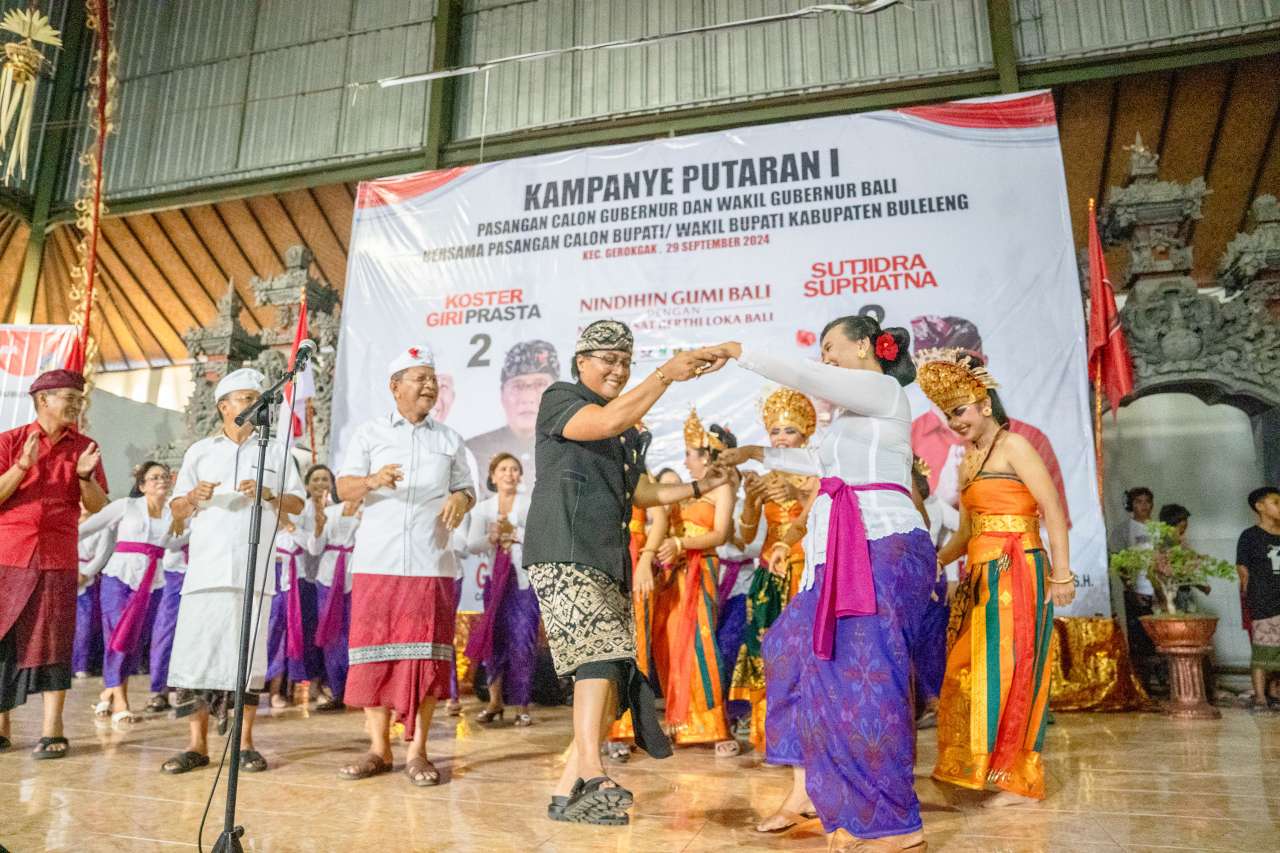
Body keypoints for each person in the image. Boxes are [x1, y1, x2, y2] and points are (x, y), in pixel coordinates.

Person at [710, 318, 936, 852]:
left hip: (883, 542)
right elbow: (814, 461)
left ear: (865, 345)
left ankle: (895, 826)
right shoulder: (850, 419)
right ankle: (810, 790)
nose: (827, 358)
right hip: (843, 550)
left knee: (867, 677)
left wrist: (738, 351)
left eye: (832, 347)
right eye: (823, 350)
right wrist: (753, 454)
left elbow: (806, 375)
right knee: (788, 647)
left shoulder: (884, 390)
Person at [523, 319, 728, 825]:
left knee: (614, 665)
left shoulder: (620, 430)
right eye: (607, 360)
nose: (617, 369)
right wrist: (666, 375)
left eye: (624, 361)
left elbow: (640, 492)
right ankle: (593, 772)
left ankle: (566, 786)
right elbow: (606, 422)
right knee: (597, 657)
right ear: (581, 362)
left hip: (604, 553)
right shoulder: (561, 397)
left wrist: (701, 488)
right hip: (564, 547)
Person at [916, 348, 1074, 809]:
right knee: (970, 670)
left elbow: (1055, 515)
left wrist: (1061, 575)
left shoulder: (1015, 446)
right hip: (980, 575)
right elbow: (965, 533)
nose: (954, 421)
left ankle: (1017, 779)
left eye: (959, 410)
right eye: (947, 414)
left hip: (1019, 567)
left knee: (1013, 669)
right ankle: (975, 768)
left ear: (984, 402)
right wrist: (932, 562)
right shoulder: (967, 459)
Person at [335, 345, 476, 787]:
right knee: (377, 654)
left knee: (426, 657)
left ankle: (418, 751)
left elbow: (467, 489)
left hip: (431, 560)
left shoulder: (449, 439)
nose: (430, 385)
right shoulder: (370, 434)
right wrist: (373, 481)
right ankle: (379, 748)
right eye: (420, 377)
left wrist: (459, 497)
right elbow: (343, 487)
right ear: (395, 386)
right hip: (379, 560)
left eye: (433, 378)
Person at [162, 367, 305, 775]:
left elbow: (298, 504)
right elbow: (176, 508)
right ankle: (196, 745)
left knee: (246, 660)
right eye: (245, 398)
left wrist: (270, 493)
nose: (254, 404)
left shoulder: (275, 451)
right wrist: (191, 496)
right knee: (197, 657)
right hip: (206, 572)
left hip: (254, 573)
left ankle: (244, 745)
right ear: (224, 407)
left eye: (258, 398)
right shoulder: (200, 452)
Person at [0, 368, 107, 759]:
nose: (77, 405)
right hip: (9, 554)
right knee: (3, 636)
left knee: (54, 639)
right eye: (70, 398)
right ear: (43, 400)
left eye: (80, 400)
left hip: (58, 555)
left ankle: (52, 728)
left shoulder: (85, 446)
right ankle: (2, 724)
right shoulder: (9, 442)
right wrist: (21, 467)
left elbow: (97, 506)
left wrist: (84, 477)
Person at [909, 314, 1070, 525]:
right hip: (942, 552)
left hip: (1016, 552)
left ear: (982, 366)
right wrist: (938, 500)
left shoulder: (1026, 438)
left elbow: (1050, 520)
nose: (949, 380)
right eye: (936, 371)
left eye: (960, 367)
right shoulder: (905, 440)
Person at [728, 387, 819, 758]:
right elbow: (746, 536)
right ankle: (772, 737)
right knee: (768, 653)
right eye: (776, 432)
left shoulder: (817, 473)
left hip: (806, 574)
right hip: (769, 577)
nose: (781, 439)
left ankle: (808, 737)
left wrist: (796, 496)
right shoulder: (767, 476)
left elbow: (827, 518)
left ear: (806, 435)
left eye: (790, 432)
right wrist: (751, 500)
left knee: (806, 657)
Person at [659, 411, 738, 755]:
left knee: (701, 645)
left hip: (701, 568)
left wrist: (680, 544)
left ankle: (714, 726)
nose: (685, 460)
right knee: (673, 645)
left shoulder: (722, 488)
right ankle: (680, 723)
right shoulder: (685, 489)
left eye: (690, 454)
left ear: (707, 456)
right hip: (674, 573)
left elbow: (719, 534)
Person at [78, 461, 178, 726]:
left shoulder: (173, 513)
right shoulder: (125, 506)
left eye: (165, 477)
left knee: (135, 640)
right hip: (119, 578)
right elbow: (89, 527)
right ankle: (121, 701)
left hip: (153, 582)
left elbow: (178, 542)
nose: (161, 481)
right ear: (142, 484)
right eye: (154, 477)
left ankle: (108, 691)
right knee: (117, 636)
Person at [605, 429, 670, 760]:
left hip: (634, 557)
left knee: (635, 643)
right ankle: (610, 726)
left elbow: (660, 517)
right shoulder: (601, 466)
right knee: (606, 644)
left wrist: (645, 560)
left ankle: (632, 727)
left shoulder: (642, 473)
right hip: (605, 555)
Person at [464, 453, 538, 725]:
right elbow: (472, 545)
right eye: (504, 469)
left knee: (523, 643)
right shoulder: (483, 509)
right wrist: (491, 537)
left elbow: (541, 541)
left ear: (520, 476)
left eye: (514, 469)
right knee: (493, 642)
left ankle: (522, 705)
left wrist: (515, 534)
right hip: (495, 585)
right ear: (493, 476)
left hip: (523, 585)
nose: (509, 474)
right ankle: (495, 702)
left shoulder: (530, 505)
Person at [265, 465, 329, 707]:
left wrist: (294, 527)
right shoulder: (268, 500)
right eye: (315, 479)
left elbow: (313, 546)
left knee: (305, 631)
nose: (320, 483)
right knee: (277, 631)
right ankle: (274, 689)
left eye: (325, 479)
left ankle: (311, 683)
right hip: (276, 574)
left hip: (303, 576)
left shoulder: (308, 507)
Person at [466, 340, 560, 495]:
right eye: (518, 386)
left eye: (539, 384)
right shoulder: (474, 451)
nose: (528, 397)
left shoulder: (575, 448)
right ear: (502, 394)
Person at [312, 494, 360, 713]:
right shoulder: (331, 512)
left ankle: (356, 690)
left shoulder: (370, 511)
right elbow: (314, 548)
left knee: (353, 635)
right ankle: (337, 689)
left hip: (354, 577)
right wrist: (319, 525)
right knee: (330, 634)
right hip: (328, 578)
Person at [1237, 487, 1280, 713]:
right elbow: (1243, 570)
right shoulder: (1250, 536)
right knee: (1263, 651)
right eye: (1276, 502)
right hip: (1263, 602)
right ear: (1260, 507)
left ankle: (1275, 692)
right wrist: (1251, 600)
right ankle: (1261, 697)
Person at [1112, 487, 1159, 689]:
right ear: (1131, 505)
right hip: (1138, 591)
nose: (1144, 506)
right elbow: (1118, 561)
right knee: (1141, 641)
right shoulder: (1124, 530)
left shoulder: (1160, 529)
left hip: (1161, 591)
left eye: (1147, 501)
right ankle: (1144, 685)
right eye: (1138, 502)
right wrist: (1130, 589)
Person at [146, 512, 189, 713]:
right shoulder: (172, 506)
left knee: (196, 637)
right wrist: (197, 528)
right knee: (166, 633)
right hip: (173, 575)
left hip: (203, 574)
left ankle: (188, 688)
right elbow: (167, 542)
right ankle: (159, 689)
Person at [74, 512, 113, 679]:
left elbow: (102, 554)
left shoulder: (103, 526)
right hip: (65, 570)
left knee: (85, 624)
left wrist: (85, 574)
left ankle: (81, 664)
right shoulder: (68, 520)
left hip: (87, 577)